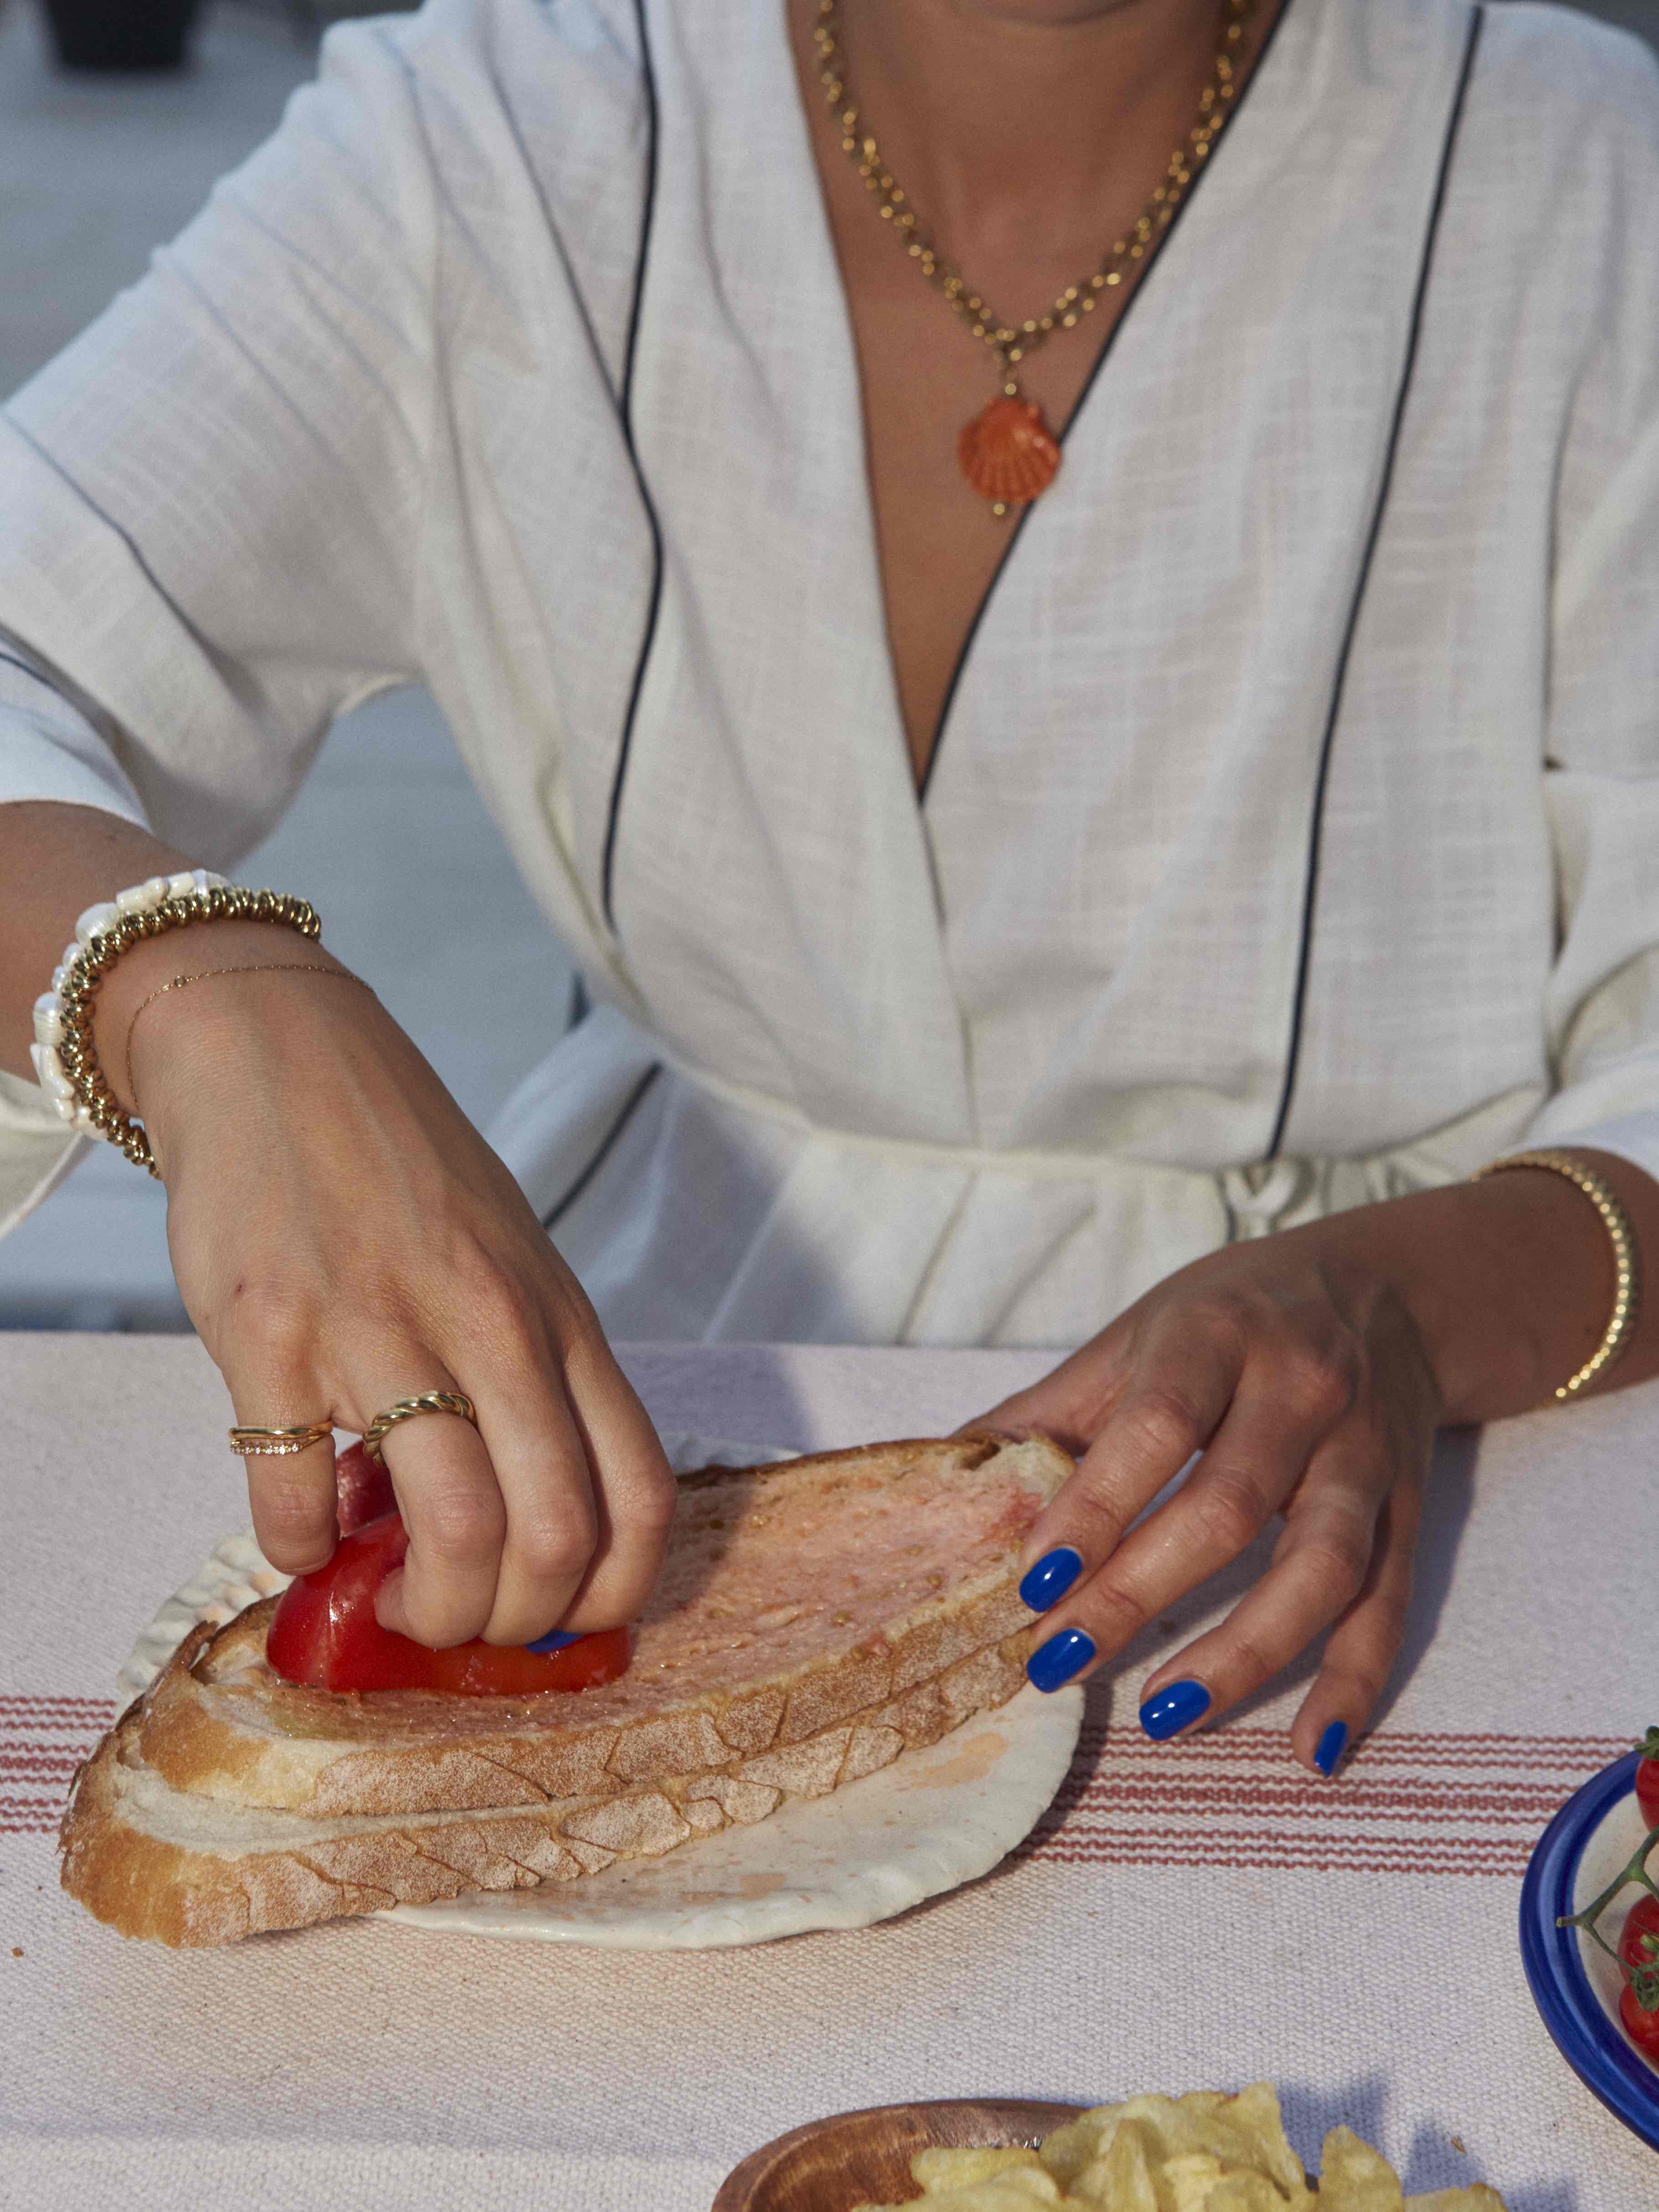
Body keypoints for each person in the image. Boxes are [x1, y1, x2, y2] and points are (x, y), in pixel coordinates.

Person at [2, 0, 1657, 1777]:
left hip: (1410, 1514)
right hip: (656, 1404)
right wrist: (197, 990)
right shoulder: (502, 137)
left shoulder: (1580, 178)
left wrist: (1398, 1297)